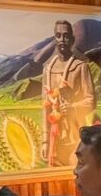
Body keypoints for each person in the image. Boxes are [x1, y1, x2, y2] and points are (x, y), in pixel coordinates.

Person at [41, 20, 96, 167]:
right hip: (55, 140)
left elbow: (91, 101)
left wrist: (73, 108)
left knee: (77, 172)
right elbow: (45, 107)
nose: (62, 40)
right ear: (54, 39)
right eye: (58, 35)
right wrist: (45, 140)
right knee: (54, 176)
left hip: (76, 137)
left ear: (72, 39)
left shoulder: (81, 67)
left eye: (66, 36)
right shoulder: (48, 70)